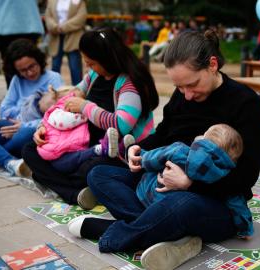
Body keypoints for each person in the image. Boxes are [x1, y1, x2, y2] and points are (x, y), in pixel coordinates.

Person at [66, 30, 260, 270]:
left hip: (212, 200)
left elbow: (246, 177)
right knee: (99, 175)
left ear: (212, 65)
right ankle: (168, 233)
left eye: (192, 85)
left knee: (181, 205)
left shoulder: (245, 103)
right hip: (161, 183)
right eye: (179, 88)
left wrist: (190, 183)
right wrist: (139, 149)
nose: (187, 95)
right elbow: (162, 134)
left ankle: (113, 231)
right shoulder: (182, 96)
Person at [22, 27, 159, 209]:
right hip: (82, 142)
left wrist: (86, 107)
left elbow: (122, 125)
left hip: (115, 151)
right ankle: (74, 191)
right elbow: (69, 99)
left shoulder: (129, 83)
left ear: (108, 60)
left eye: (92, 63)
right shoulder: (95, 75)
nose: (88, 67)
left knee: (90, 170)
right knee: (30, 150)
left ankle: (54, 181)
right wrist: (44, 126)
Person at [133, 124, 253, 239]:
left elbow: (154, 158)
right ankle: (167, 232)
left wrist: (141, 157)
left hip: (147, 194)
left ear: (204, 138)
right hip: (175, 212)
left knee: (149, 174)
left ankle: (143, 224)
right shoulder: (225, 177)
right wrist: (246, 228)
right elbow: (238, 204)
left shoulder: (180, 151)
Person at [0, 38, 62, 175]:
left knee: (25, 133)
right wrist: (24, 110)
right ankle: (11, 162)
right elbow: (4, 109)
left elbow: (58, 115)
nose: (29, 73)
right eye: (23, 70)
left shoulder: (53, 78)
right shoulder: (17, 80)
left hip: (35, 131)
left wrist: (25, 124)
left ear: (38, 60)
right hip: (11, 128)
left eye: (32, 66)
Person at [0, 0, 45, 88]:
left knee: (11, 68)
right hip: (30, 22)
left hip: (6, 24)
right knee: (31, 64)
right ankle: (33, 93)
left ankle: (15, 95)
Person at [45, 0, 87, 86]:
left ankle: (78, 91)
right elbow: (48, 17)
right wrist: (55, 27)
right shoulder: (51, 1)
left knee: (75, 67)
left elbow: (81, 17)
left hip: (73, 38)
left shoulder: (79, 1)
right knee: (55, 66)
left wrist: (63, 27)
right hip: (56, 37)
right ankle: (54, 90)